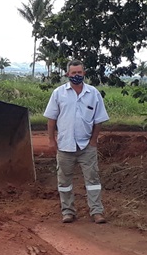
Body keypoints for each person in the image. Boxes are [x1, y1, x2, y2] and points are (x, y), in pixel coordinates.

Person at [43, 60, 110, 224]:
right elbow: (51, 119)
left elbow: (99, 120)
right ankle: (68, 211)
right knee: (64, 182)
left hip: (86, 146)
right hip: (65, 146)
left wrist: (94, 140)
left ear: (84, 73)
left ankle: (96, 212)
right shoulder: (58, 93)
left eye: (79, 72)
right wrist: (52, 140)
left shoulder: (93, 93)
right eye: (73, 73)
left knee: (93, 180)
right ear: (67, 74)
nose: (76, 75)